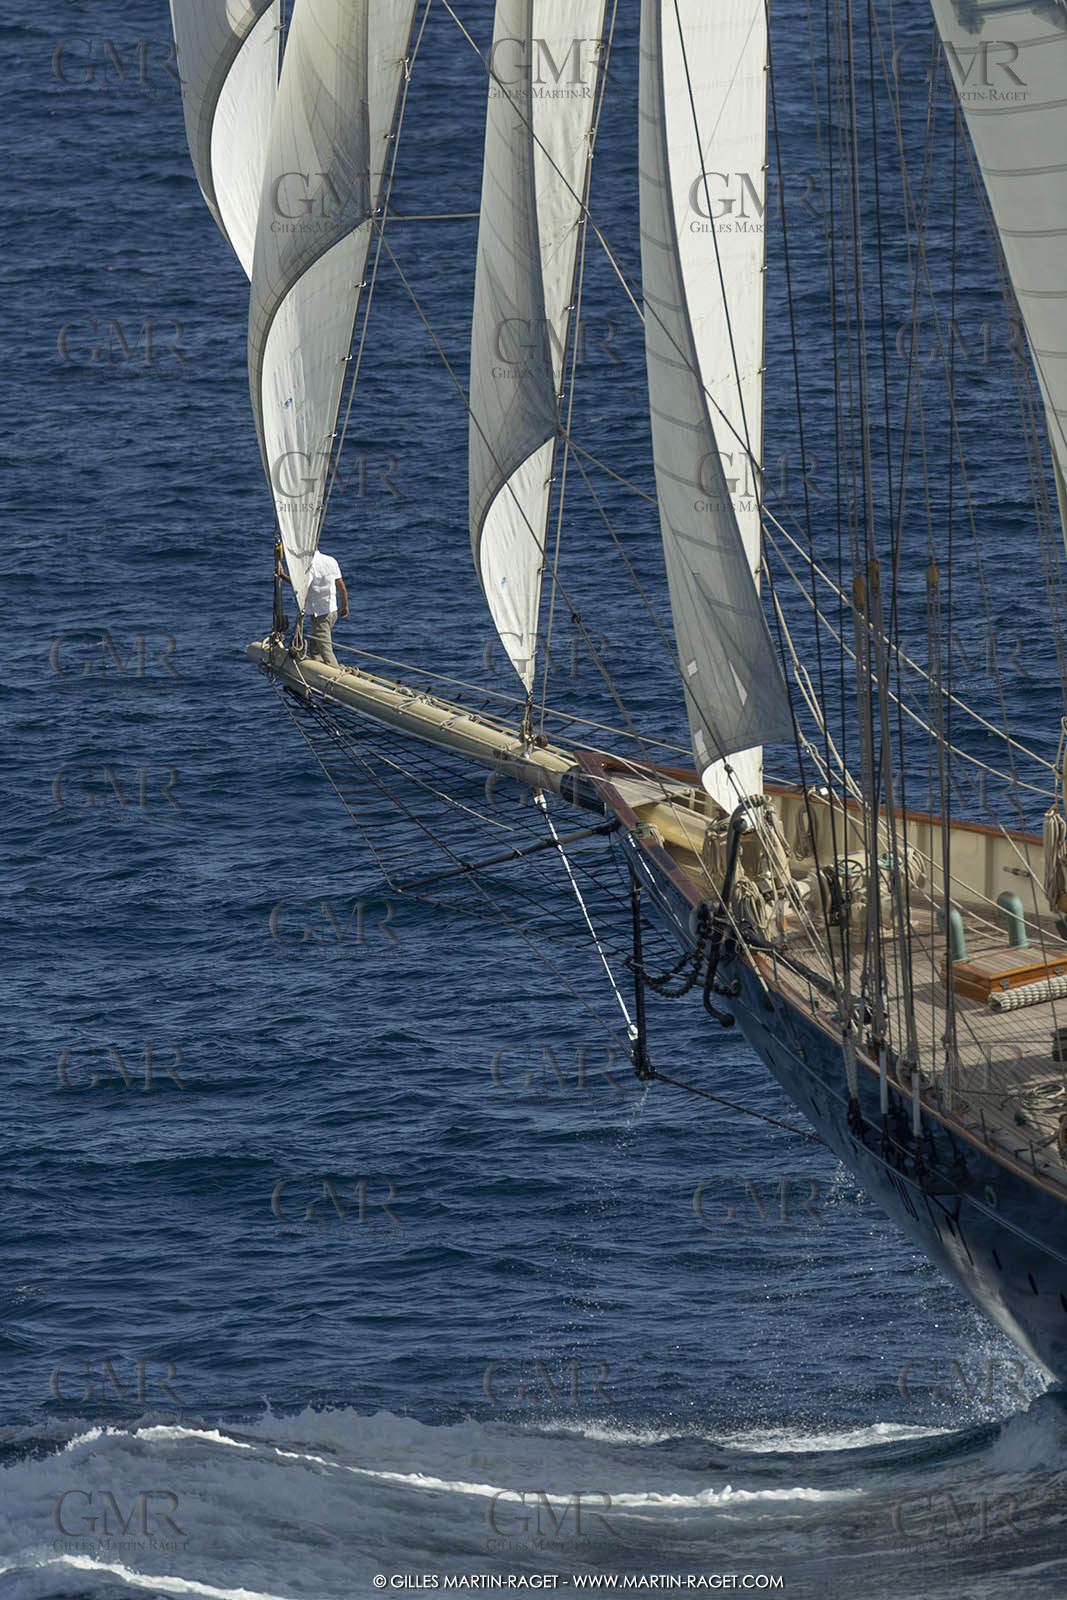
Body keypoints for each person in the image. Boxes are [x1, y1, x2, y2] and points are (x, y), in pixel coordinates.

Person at [278, 548, 349, 666]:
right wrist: (345, 605)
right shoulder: (331, 560)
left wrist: (283, 576)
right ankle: (317, 666)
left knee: (326, 650)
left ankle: (335, 674)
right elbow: (341, 585)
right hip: (332, 611)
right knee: (315, 647)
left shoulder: (309, 566)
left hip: (320, 615)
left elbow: (301, 586)